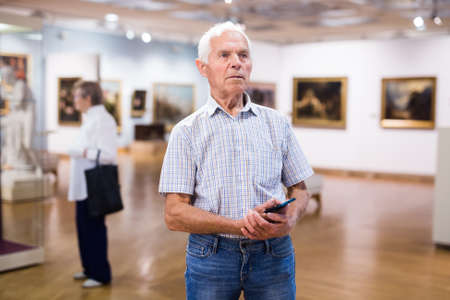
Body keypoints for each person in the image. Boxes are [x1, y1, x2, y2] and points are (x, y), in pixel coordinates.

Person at [159, 22, 313, 299]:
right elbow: (174, 214)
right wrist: (240, 225)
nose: (236, 63)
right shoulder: (186, 131)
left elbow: (300, 190)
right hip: (211, 255)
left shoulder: (276, 123)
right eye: (225, 55)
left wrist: (290, 217)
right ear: (202, 67)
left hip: (273, 253)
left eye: (243, 55)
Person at [68, 81, 117, 288]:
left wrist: (82, 152)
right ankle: (89, 268)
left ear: (88, 98)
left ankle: (100, 274)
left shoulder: (102, 120)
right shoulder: (91, 119)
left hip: (93, 186)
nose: (75, 101)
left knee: (94, 229)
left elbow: (108, 155)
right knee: (84, 228)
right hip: (83, 185)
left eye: (77, 97)